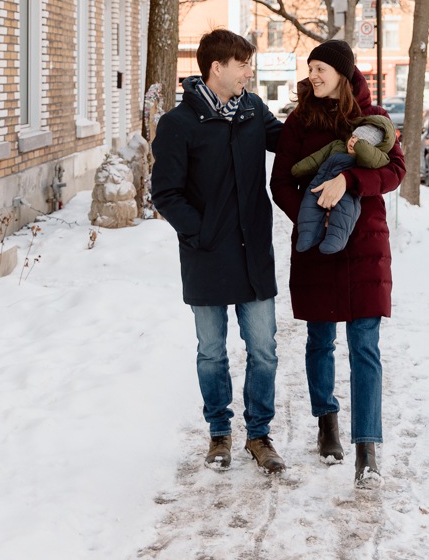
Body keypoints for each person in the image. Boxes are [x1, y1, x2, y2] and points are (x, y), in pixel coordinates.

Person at [270, 39, 405, 488]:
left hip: (365, 245)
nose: (313, 75)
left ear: (343, 74)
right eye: (310, 68)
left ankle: (367, 448)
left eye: (321, 68)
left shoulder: (375, 120)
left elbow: (395, 171)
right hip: (316, 247)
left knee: (365, 346)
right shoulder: (298, 121)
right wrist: (314, 213)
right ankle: (327, 421)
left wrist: (348, 181)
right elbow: (280, 183)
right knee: (319, 339)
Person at [151, 29, 285, 475]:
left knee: (263, 349)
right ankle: (219, 434)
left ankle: (259, 435)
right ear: (217, 68)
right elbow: (165, 193)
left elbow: (287, 143)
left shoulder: (252, 110)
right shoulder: (178, 124)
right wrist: (201, 232)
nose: (250, 72)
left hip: (252, 253)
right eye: (244, 64)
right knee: (212, 351)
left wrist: (340, 126)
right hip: (207, 255)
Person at [292, 114, 397, 254]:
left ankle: (335, 240)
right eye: (353, 136)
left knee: (344, 214)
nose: (354, 141)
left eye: (361, 140)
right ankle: (306, 236)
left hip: (347, 193)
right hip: (319, 183)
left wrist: (360, 146)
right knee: (308, 206)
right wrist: (299, 168)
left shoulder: (371, 158)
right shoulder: (337, 145)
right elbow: (316, 159)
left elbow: (374, 160)